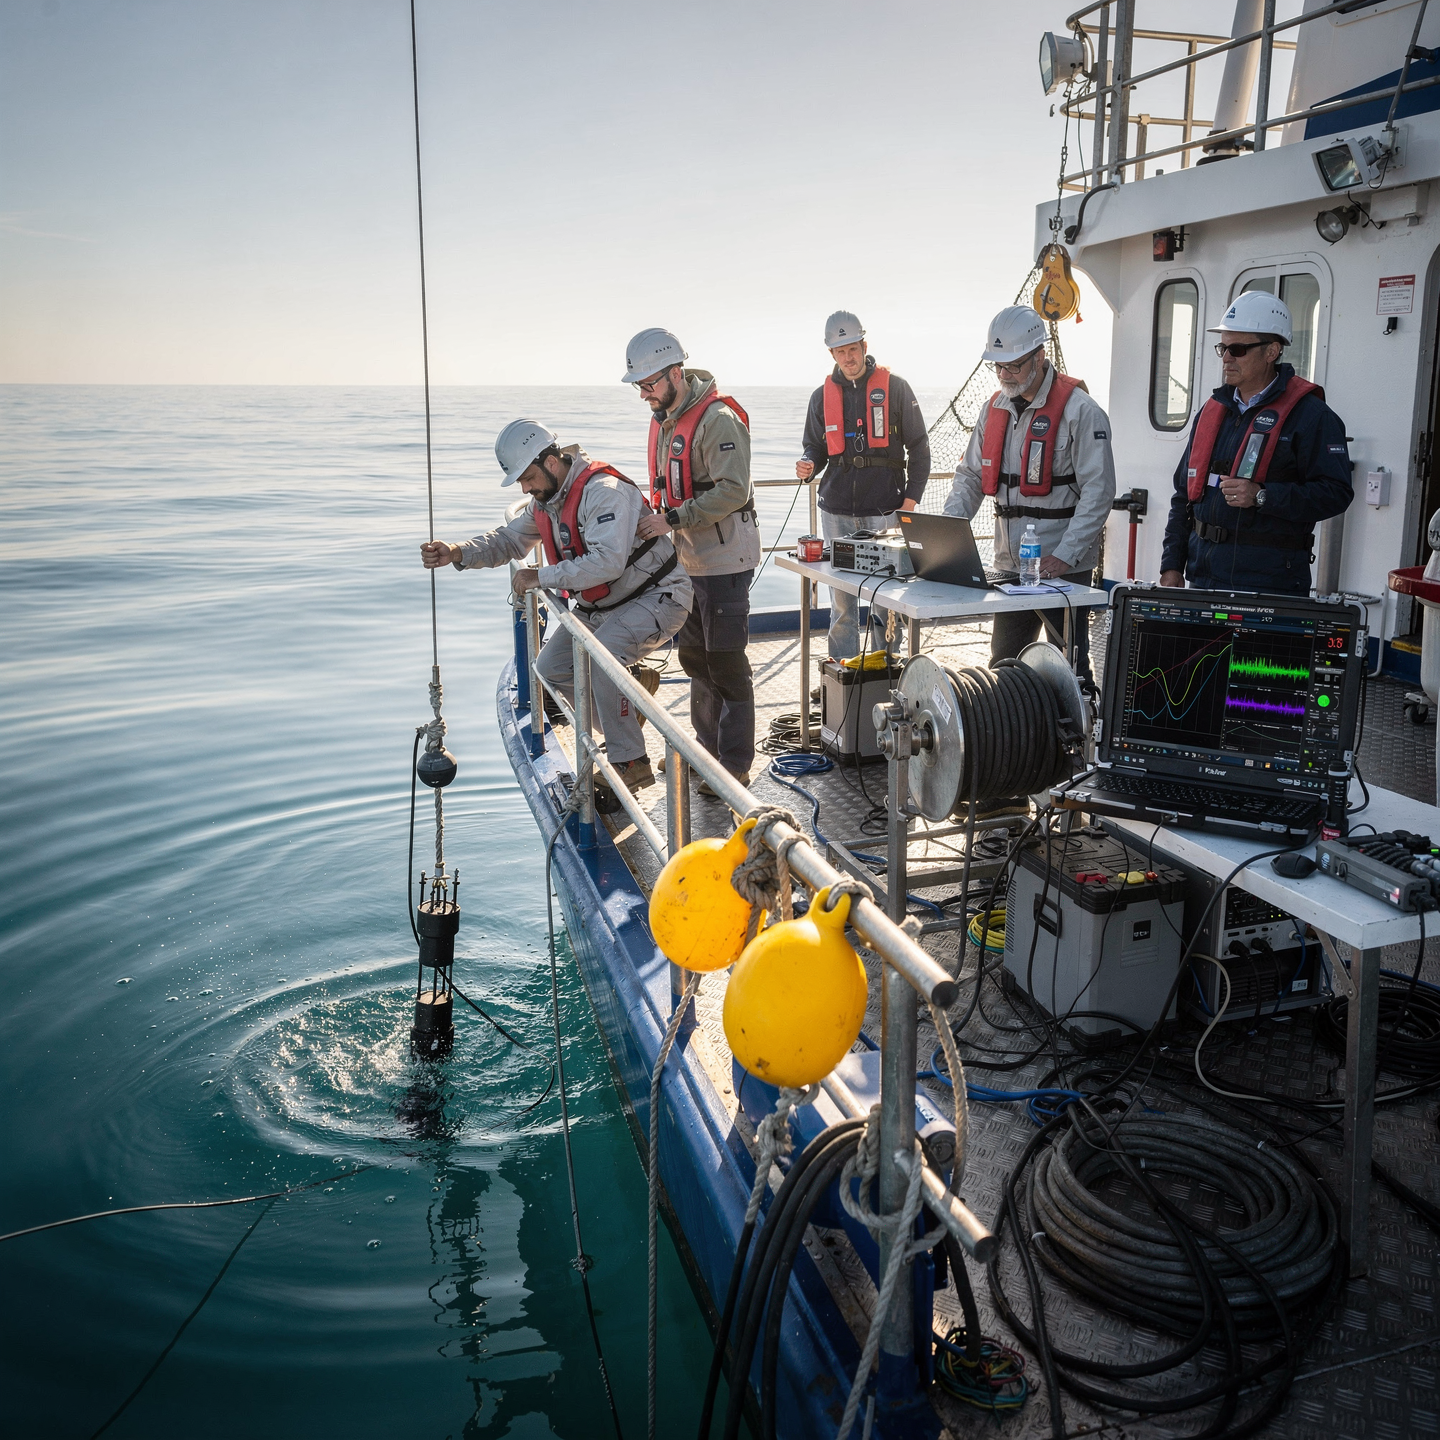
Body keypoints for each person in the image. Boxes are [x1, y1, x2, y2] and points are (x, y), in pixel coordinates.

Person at [420, 419, 691, 809]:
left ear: (550, 461)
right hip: (603, 607)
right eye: (521, 483)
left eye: (528, 477)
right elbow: (511, 540)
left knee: (601, 659)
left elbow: (607, 563)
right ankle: (627, 711)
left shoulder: (604, 492)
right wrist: (458, 552)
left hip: (658, 597)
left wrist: (540, 576)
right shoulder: (547, 501)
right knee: (549, 668)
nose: (526, 488)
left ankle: (630, 762)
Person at [944, 304, 1115, 683]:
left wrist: (1065, 556)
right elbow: (971, 476)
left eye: (1015, 366)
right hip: (1010, 565)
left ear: (1040, 356)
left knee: (1067, 666)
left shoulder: (1082, 412)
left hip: (1062, 568)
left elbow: (1099, 492)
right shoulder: (993, 409)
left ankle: (1075, 737)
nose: (1005, 375)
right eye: (998, 366)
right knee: (1004, 660)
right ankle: (1011, 736)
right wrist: (945, 534)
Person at [623, 328, 760, 792]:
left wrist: (674, 518)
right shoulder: (666, 420)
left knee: (725, 663)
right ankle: (707, 749)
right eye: (640, 387)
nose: (645, 395)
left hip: (724, 560)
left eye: (650, 385)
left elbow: (733, 490)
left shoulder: (717, 419)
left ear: (675, 373)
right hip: (687, 560)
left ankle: (736, 764)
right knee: (694, 659)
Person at [1160, 291, 1352, 595]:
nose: (1226, 357)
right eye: (1223, 347)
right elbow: (1184, 495)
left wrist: (1263, 496)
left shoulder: (1313, 417)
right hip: (1202, 582)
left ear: (1272, 351)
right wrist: (1171, 566)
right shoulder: (1212, 412)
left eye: (1237, 348)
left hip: (1271, 586)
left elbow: (1336, 493)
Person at [796, 310, 931, 659]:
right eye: (840, 351)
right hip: (836, 511)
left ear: (864, 345)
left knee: (885, 602)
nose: (848, 357)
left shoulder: (896, 388)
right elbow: (815, 446)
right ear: (832, 354)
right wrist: (809, 465)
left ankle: (886, 669)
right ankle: (843, 672)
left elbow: (920, 448)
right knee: (841, 605)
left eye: (852, 348)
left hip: (885, 510)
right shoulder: (819, 398)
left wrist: (910, 501)